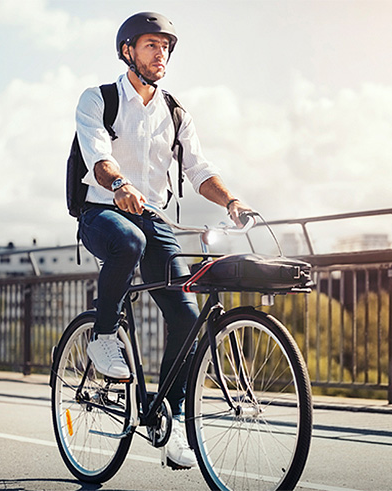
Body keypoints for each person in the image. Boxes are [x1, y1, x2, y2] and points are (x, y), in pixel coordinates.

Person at [74, 12, 252, 469]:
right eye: (152, 45)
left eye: (166, 47)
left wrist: (231, 202)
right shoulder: (100, 99)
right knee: (127, 242)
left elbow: (198, 169)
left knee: (188, 319)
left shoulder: (175, 111)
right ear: (128, 50)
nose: (161, 54)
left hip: (153, 217)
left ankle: (168, 417)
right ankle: (103, 336)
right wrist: (119, 187)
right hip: (102, 210)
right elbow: (98, 156)